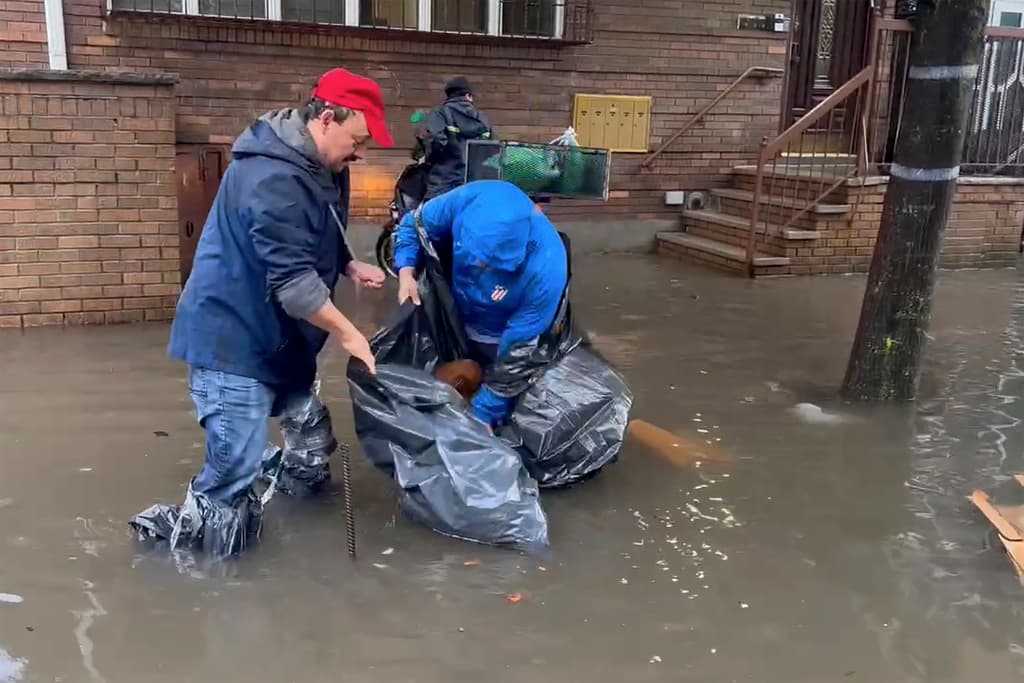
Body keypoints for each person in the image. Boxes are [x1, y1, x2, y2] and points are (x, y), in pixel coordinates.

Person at [167, 67, 392, 509]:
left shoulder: (326, 165)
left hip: (281, 336)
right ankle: (202, 563)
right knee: (234, 472)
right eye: (358, 140)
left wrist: (347, 263)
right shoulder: (272, 178)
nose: (360, 153)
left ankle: (300, 517)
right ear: (327, 118)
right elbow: (294, 284)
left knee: (310, 440)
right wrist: (351, 335)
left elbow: (316, 232)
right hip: (232, 339)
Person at [392, 180, 568, 428]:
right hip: (460, 319)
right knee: (448, 376)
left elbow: (518, 354)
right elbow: (412, 225)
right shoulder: (466, 200)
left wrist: (481, 417)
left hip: (505, 337)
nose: (481, 267)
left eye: (493, 264)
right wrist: (406, 273)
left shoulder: (547, 269)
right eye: (478, 258)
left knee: (507, 403)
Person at [414, 76, 494, 201]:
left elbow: (435, 139)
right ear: (468, 96)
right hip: (474, 186)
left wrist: (430, 158)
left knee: (432, 218)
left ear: (449, 96)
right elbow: (492, 151)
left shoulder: (440, 114)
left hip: (444, 184)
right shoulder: (482, 119)